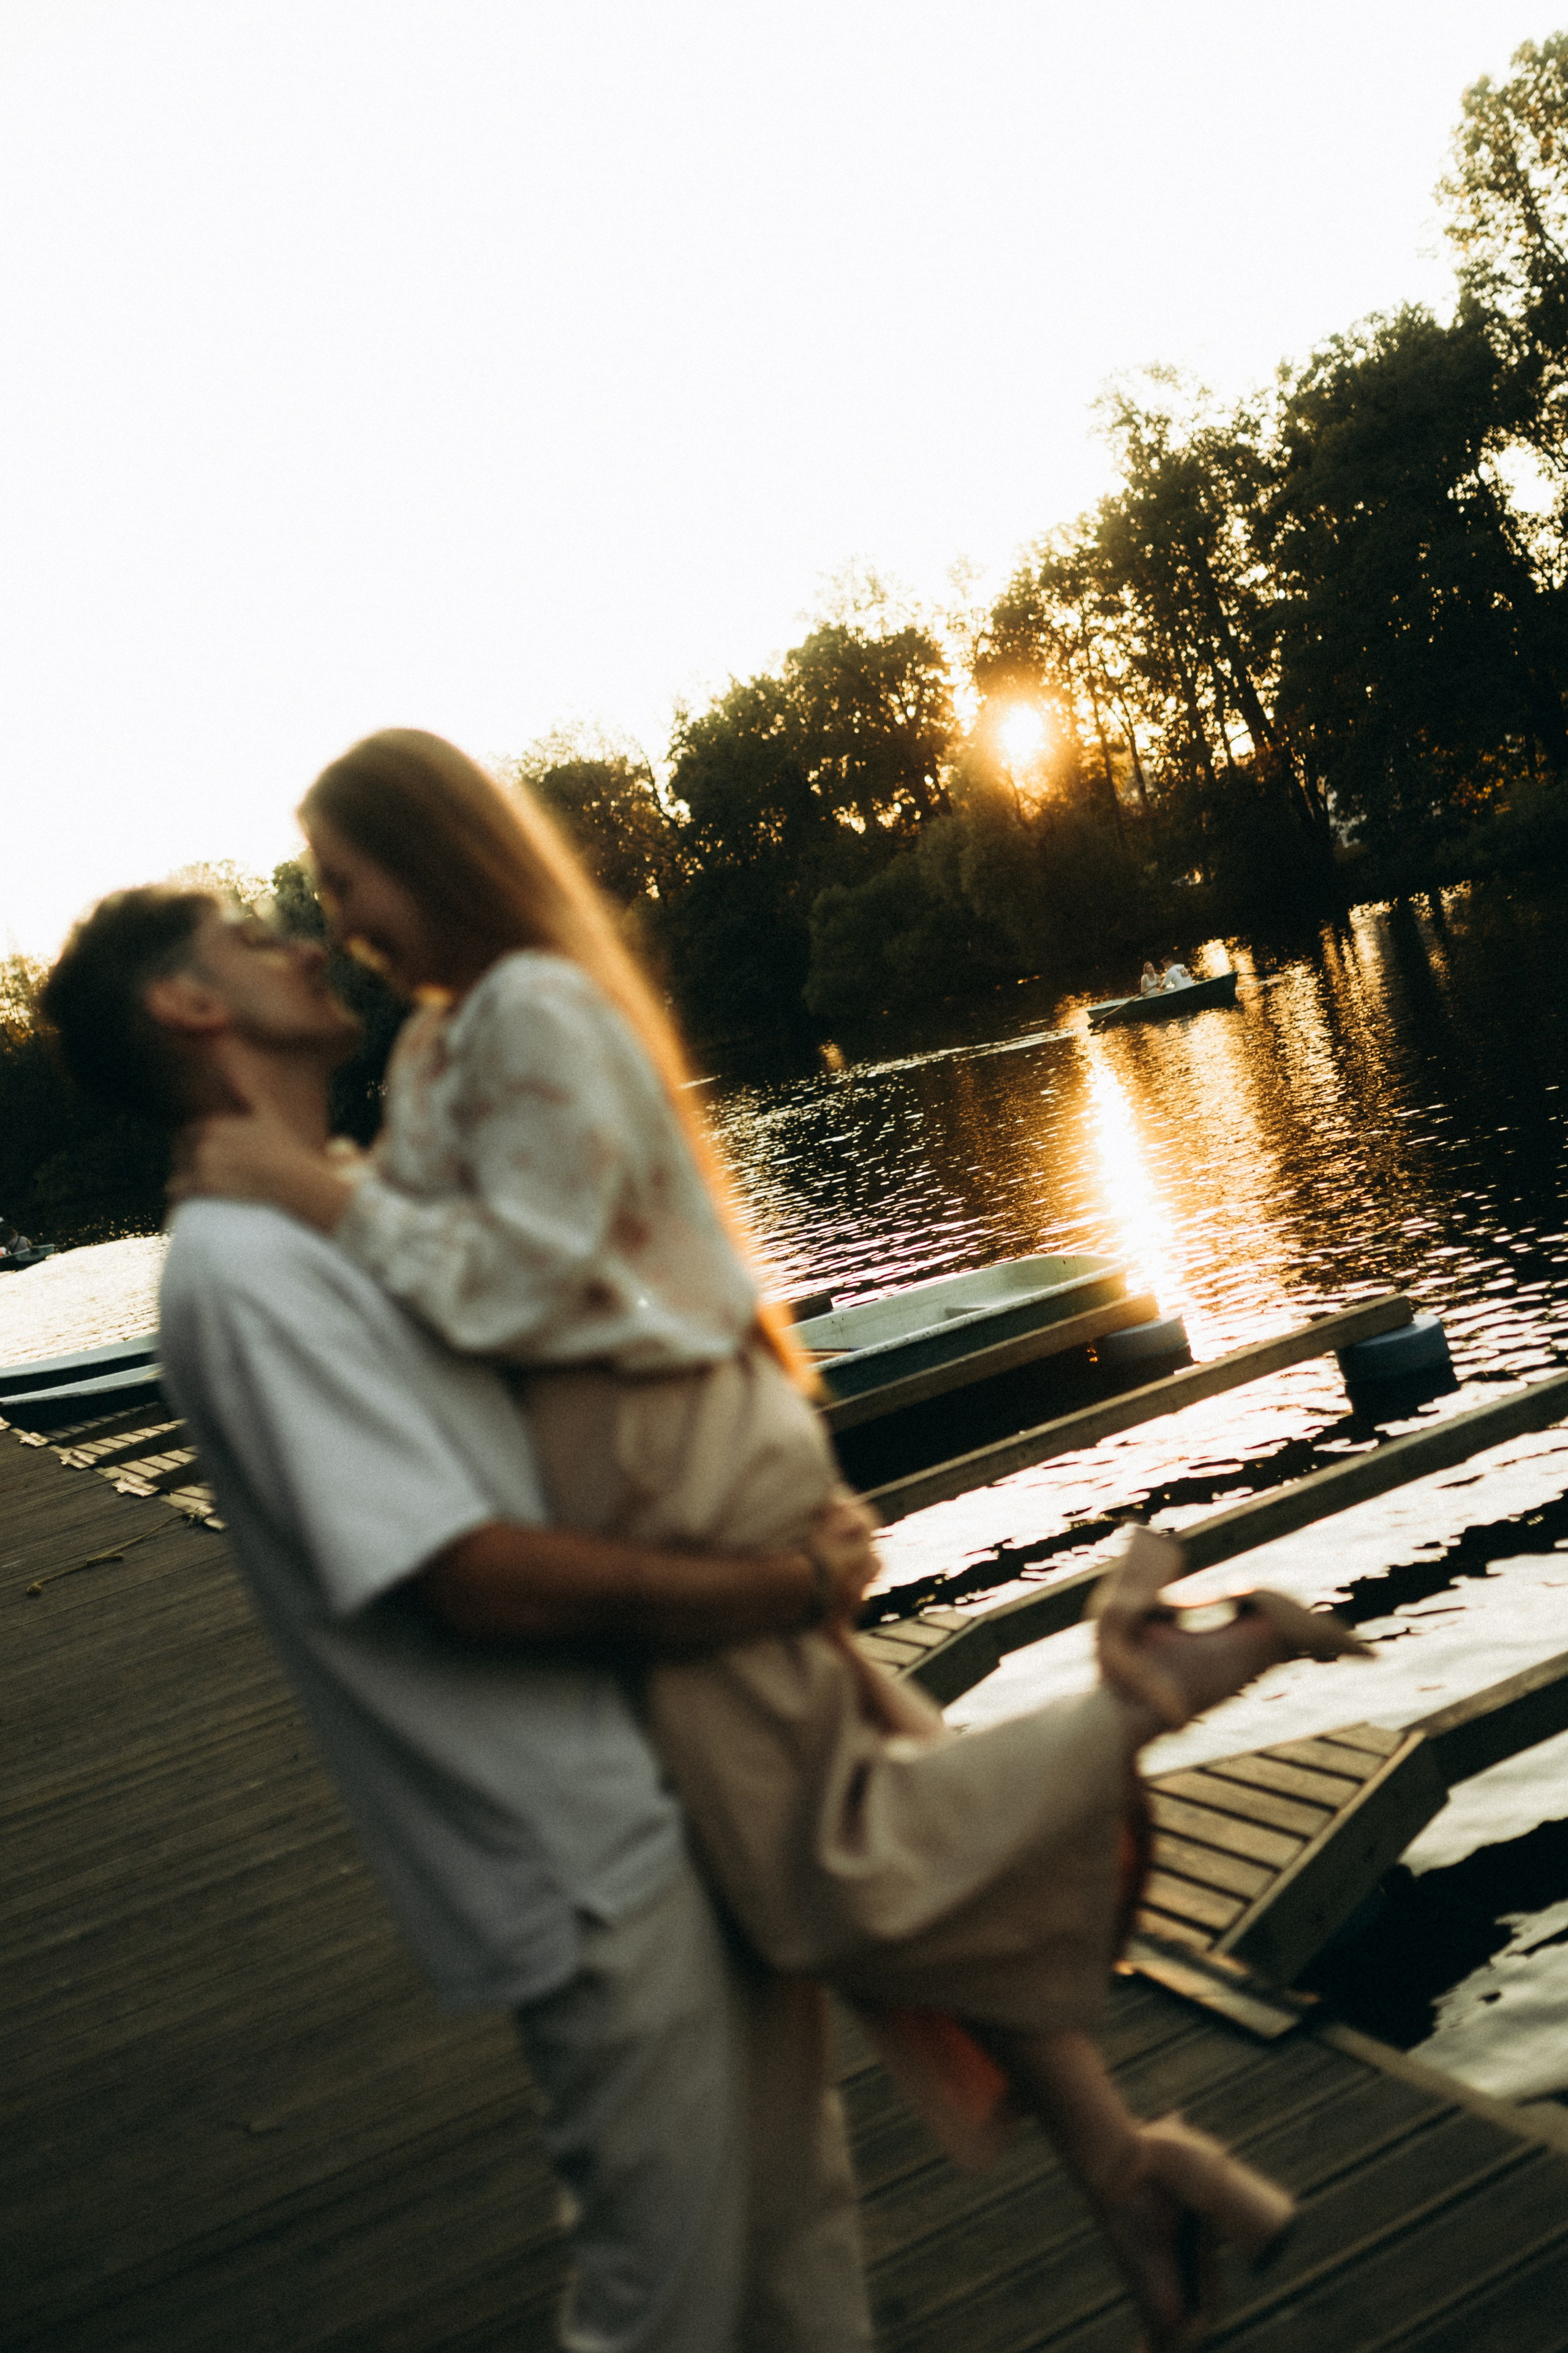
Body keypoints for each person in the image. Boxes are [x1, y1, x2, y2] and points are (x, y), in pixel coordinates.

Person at [170, 732, 1368, 2346]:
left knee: (828, 1868)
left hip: (669, 1459)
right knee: (847, 1823)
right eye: (309, 897)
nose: (334, 921)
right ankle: (1127, 2160)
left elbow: (527, 1277)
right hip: (649, 1474)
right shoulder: (456, 1043)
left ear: (437, 847)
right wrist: (329, 1193)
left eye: (345, 876)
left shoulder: (534, 1006)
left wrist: (318, 1200)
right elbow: (453, 1272)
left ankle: (1144, 1695)